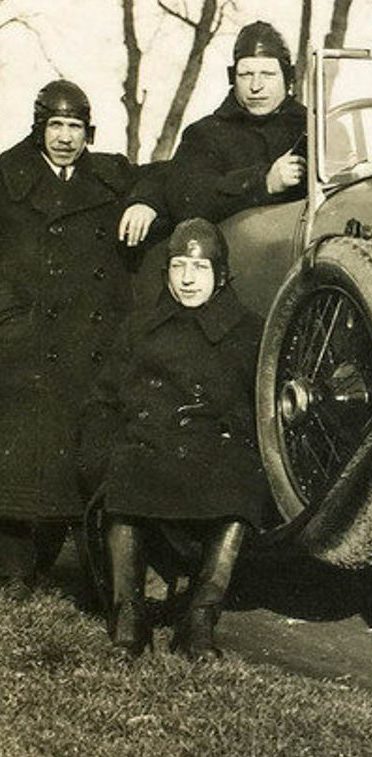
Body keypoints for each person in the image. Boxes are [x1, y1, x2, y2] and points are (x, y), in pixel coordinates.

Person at [0, 80, 167, 598]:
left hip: (93, 342)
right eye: (56, 126)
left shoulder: (110, 174)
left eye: (75, 127)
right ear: (38, 127)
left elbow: (163, 180)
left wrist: (141, 201)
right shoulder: (8, 176)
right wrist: (8, 315)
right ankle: (15, 571)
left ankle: (99, 576)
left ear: (87, 130)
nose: (66, 138)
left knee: (85, 453)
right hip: (28, 341)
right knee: (24, 458)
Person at [79, 218, 269, 659]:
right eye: (179, 266)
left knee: (241, 484)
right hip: (148, 446)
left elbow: (259, 405)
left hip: (212, 452)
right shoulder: (140, 328)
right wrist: (99, 453)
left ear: (221, 276)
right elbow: (103, 398)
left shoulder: (249, 332)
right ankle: (129, 618)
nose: (187, 279)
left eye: (200, 270)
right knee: (124, 471)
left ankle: (201, 619)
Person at [166, 20, 307, 223]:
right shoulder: (204, 134)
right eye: (246, 74)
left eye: (268, 74)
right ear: (233, 78)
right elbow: (186, 202)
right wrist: (264, 182)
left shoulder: (314, 129)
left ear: (287, 78)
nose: (256, 86)